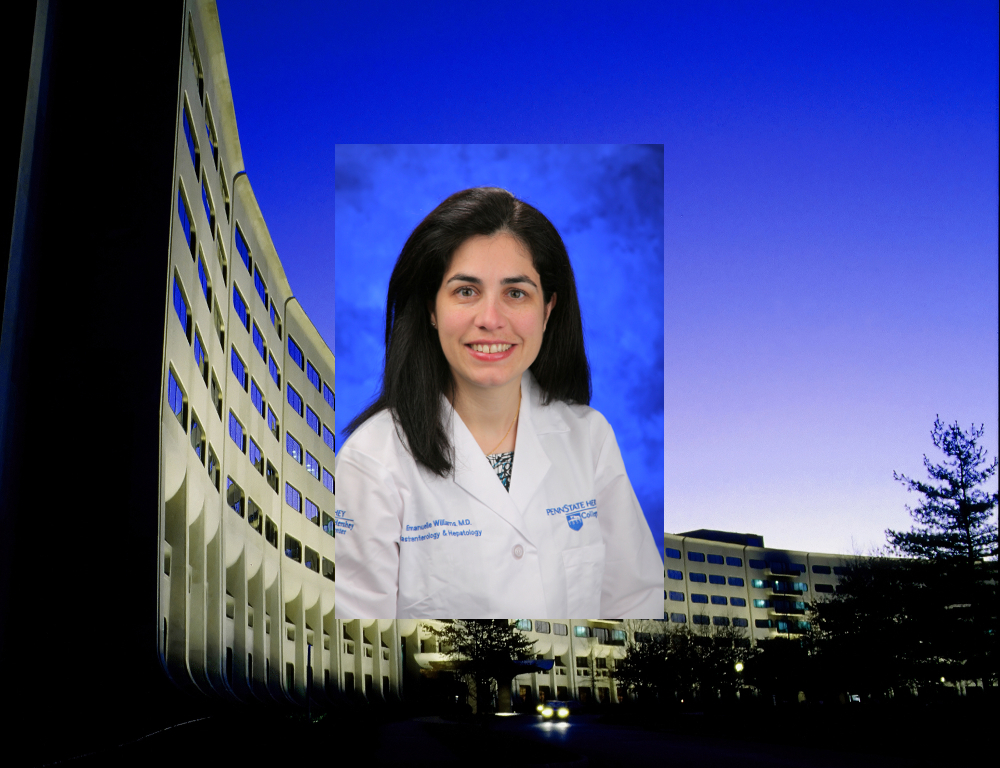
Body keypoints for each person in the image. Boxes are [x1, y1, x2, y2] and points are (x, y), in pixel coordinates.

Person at [335, 187, 663, 618]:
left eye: (516, 293)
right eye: (466, 291)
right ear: (431, 308)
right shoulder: (371, 459)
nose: (490, 320)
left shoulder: (589, 438)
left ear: (548, 310)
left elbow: (636, 604)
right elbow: (358, 650)